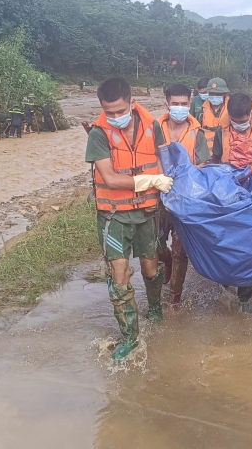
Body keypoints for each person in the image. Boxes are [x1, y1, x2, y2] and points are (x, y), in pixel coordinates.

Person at [86, 77, 174, 360]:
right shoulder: (98, 134)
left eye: (120, 111)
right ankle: (130, 338)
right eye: (108, 112)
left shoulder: (153, 126)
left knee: (150, 268)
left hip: (147, 212)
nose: (114, 118)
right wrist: (148, 180)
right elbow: (110, 177)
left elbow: (165, 164)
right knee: (119, 275)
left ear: (132, 104)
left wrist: (164, 182)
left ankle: (156, 307)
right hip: (113, 215)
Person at [211, 93, 252, 313]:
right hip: (228, 197)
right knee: (225, 243)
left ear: (251, 113)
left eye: (243, 121)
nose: (239, 125)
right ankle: (225, 284)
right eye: (235, 121)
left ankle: (245, 297)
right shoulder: (221, 133)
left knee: (251, 247)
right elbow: (215, 163)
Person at [155, 83, 211, 306]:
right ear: (166, 104)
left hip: (185, 200)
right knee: (156, 245)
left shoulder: (197, 133)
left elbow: (204, 165)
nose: (180, 108)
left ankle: (174, 299)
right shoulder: (153, 128)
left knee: (181, 250)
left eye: (184, 104)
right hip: (157, 197)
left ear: (190, 104)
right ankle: (165, 262)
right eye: (175, 104)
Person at [200, 77, 232, 152]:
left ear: (224, 94)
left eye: (218, 94)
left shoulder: (232, 109)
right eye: (211, 93)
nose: (214, 96)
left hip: (227, 151)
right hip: (207, 153)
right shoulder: (201, 112)